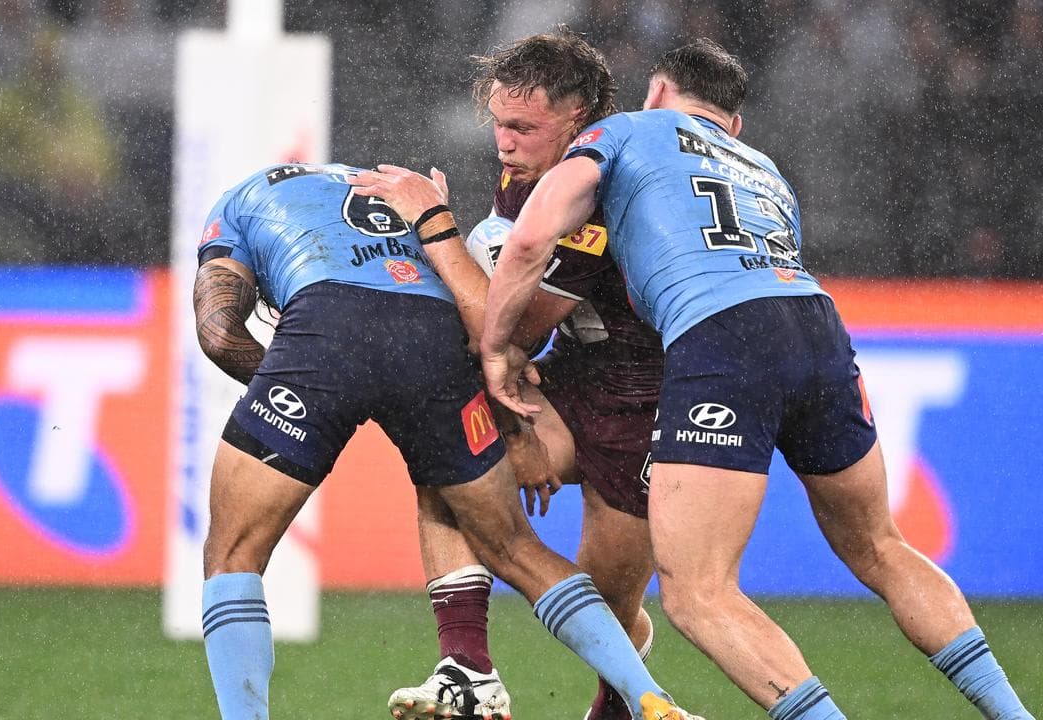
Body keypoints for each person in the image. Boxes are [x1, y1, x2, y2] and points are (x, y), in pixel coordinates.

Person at [480, 40, 1036, 720]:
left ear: (655, 92)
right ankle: (1014, 714)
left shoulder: (622, 131)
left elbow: (533, 239)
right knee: (880, 546)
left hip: (721, 335)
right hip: (817, 323)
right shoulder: (764, 169)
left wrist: (495, 347)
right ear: (731, 124)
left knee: (699, 592)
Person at [192, 161, 701, 720]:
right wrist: (514, 429)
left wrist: (303, 390)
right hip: (439, 334)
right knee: (514, 547)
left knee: (233, 554)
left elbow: (218, 332)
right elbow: (481, 323)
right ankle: (648, 695)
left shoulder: (237, 203)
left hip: (325, 329)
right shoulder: (406, 192)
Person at [359, 30, 664, 720]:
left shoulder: (609, 190)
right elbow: (505, 322)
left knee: (608, 612)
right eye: (499, 123)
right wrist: (517, 424)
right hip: (573, 377)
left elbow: (512, 326)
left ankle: (619, 705)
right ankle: (466, 667)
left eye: (524, 127)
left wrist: (434, 227)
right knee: (451, 458)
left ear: (580, 116)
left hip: (647, 407)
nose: (505, 142)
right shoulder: (526, 171)